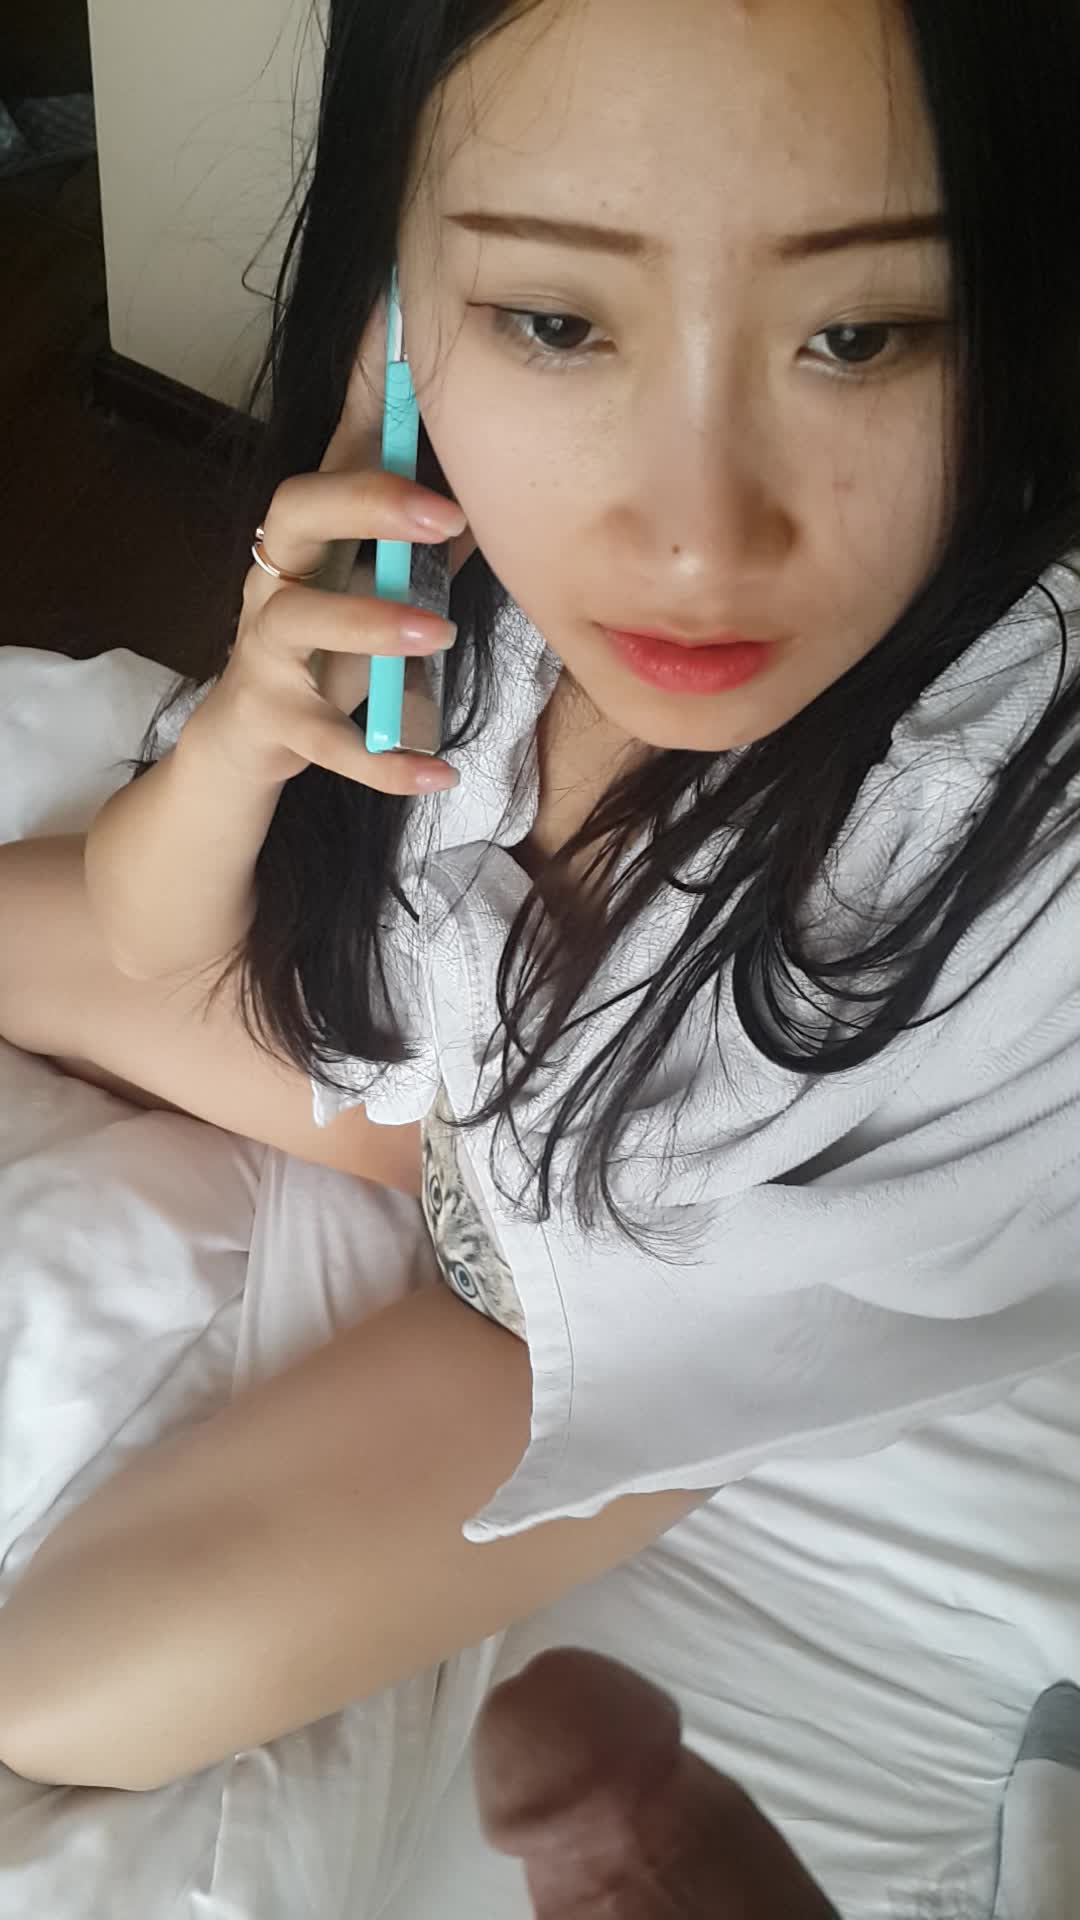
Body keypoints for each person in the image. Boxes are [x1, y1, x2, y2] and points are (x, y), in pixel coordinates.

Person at [0, 0, 1077, 1886]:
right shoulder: (447, 550)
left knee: (55, 1692)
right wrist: (251, 727)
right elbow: (145, 930)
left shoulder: (1005, 795)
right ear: (401, 315)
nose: (695, 538)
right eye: (562, 323)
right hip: (457, 1108)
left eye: (856, 334)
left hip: (589, 1308)